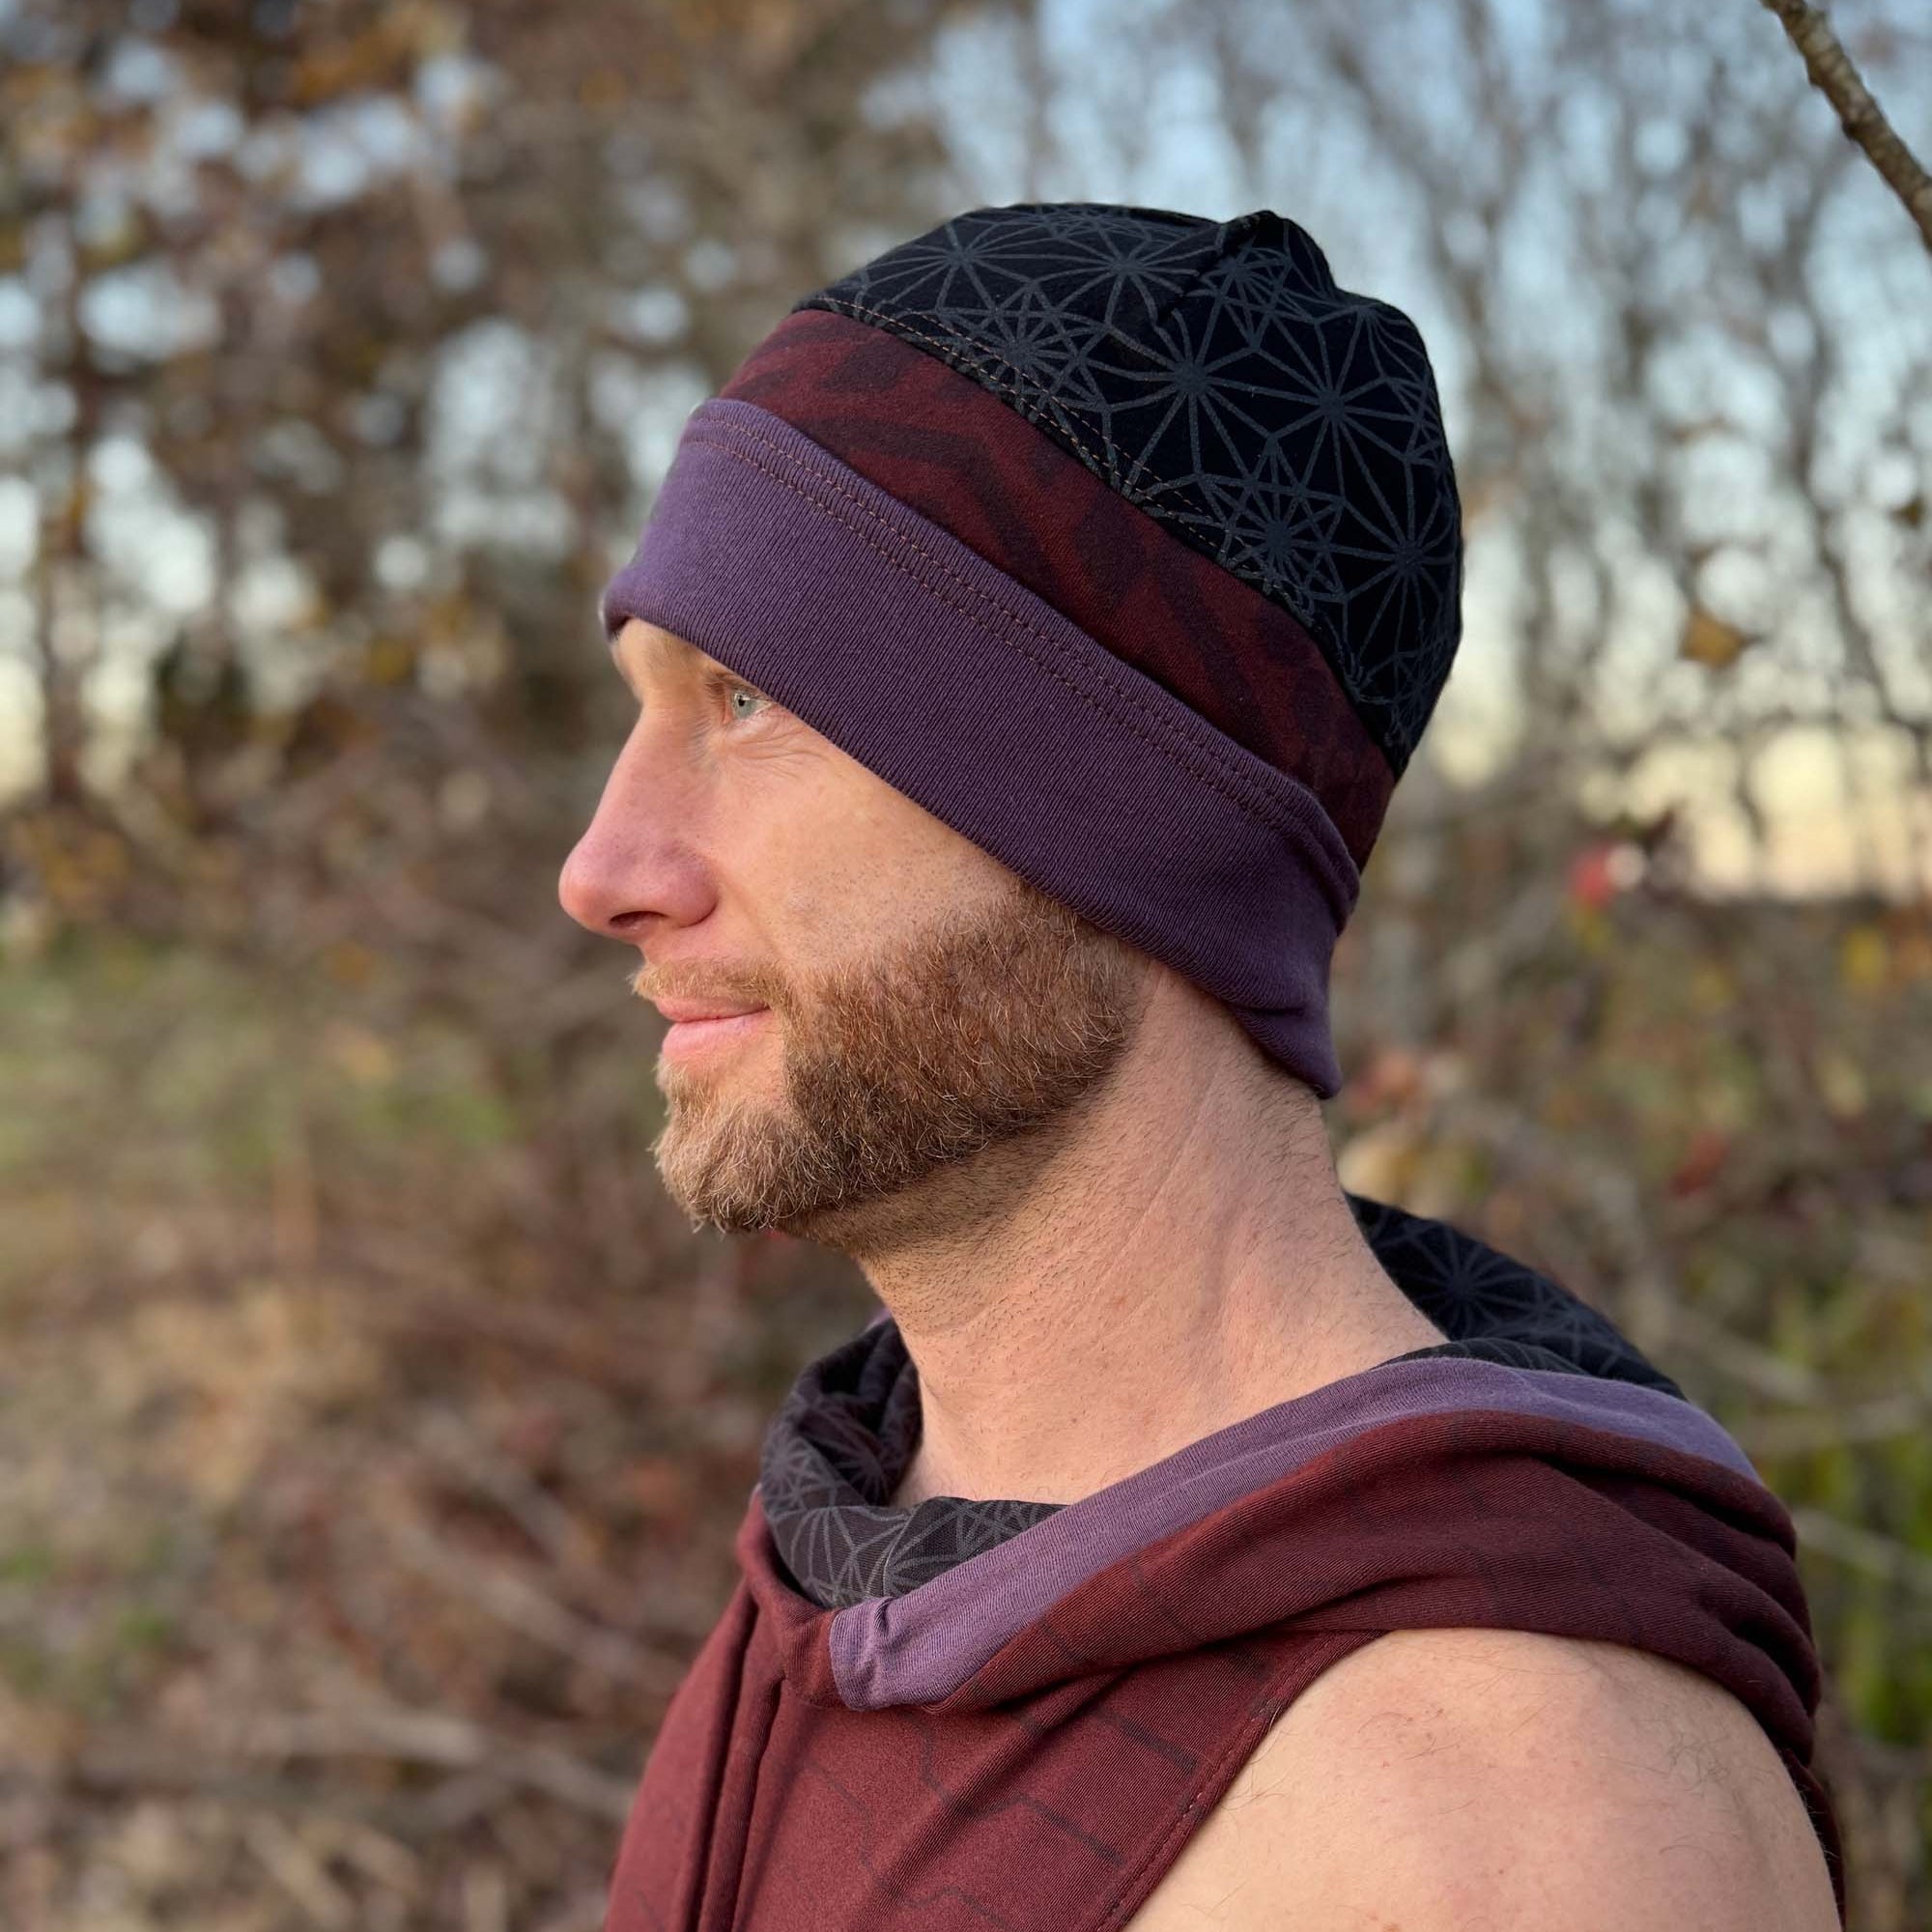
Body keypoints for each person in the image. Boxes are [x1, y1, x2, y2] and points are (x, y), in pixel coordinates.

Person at [559, 202, 1844, 1931]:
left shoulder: (1504, 1828)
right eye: (645, 706)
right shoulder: (853, 1546)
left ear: (1123, 832)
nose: (606, 867)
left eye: (746, 701)